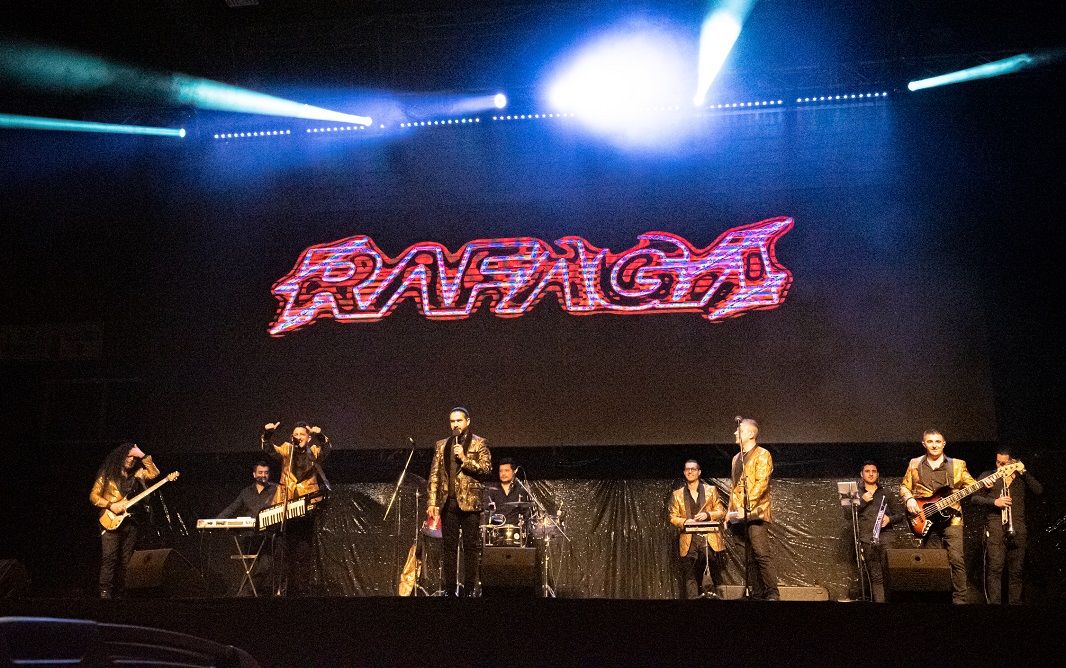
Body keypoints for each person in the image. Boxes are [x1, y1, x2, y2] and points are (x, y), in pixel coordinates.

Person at [899, 429, 977, 604]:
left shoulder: (957, 464)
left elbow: (972, 485)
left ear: (944, 443)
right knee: (932, 561)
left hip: (953, 518)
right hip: (925, 518)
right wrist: (909, 499)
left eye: (937, 441)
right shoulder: (914, 463)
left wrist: (984, 485)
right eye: (930, 441)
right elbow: (904, 486)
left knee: (956, 559)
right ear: (924, 444)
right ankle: (935, 600)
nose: (934, 445)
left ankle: (960, 601)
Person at [261, 421, 332, 596]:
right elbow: (270, 449)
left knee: (303, 549)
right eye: (296, 434)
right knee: (283, 548)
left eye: (302, 434)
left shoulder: (313, 451)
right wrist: (268, 434)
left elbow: (327, 449)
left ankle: (302, 590)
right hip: (286, 503)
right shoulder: (287, 449)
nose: (298, 437)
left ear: (308, 438)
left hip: (307, 505)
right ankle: (283, 589)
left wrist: (320, 435)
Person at [427, 406, 491, 597]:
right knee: (449, 547)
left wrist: (464, 459)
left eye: (459, 421)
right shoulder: (441, 445)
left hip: (470, 503)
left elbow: (486, 469)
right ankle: (449, 590)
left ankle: (469, 589)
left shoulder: (479, 443)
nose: (455, 424)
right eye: (452, 421)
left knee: (470, 547)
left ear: (467, 421)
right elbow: (435, 475)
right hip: (449, 502)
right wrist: (432, 502)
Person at [972, 448, 1043, 604]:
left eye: (1004, 463)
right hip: (995, 528)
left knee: (1016, 572)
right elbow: (974, 499)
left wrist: (1024, 471)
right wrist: (994, 502)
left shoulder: (1021, 478)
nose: (1000, 466)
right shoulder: (988, 476)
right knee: (995, 570)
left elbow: (1038, 490)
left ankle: (1015, 606)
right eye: (998, 462)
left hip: (1018, 529)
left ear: (1013, 462)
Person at [89, 442, 160, 599]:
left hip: (130, 521)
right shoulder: (107, 474)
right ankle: (105, 593)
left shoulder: (138, 474)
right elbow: (93, 496)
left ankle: (125, 592)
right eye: (128, 456)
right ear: (120, 457)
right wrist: (110, 505)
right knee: (109, 558)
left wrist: (142, 455)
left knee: (128, 560)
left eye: (133, 458)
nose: (131, 460)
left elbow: (154, 473)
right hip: (110, 520)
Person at [726, 418, 780, 600]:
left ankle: (772, 593)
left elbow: (761, 483)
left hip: (756, 513)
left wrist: (746, 506)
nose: (735, 433)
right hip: (738, 514)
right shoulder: (736, 458)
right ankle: (756, 593)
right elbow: (734, 487)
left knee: (761, 553)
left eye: (739, 431)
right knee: (746, 556)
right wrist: (729, 511)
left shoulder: (762, 454)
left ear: (750, 434)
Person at [668, 459, 726, 599]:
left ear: (699, 472)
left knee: (710, 571)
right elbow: (672, 517)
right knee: (690, 575)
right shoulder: (677, 494)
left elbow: (721, 511)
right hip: (689, 539)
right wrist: (684, 521)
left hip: (708, 538)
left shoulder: (710, 490)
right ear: (684, 472)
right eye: (687, 469)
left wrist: (707, 515)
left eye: (693, 469)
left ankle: (712, 601)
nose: (690, 472)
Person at [855, 461, 905, 602]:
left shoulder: (886, 493)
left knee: (890, 573)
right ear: (861, 474)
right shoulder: (856, 493)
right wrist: (862, 501)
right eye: (867, 471)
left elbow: (900, 515)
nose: (871, 474)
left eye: (874, 471)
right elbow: (848, 515)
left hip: (886, 537)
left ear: (878, 474)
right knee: (875, 575)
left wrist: (889, 519)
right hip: (867, 539)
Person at [484, 458, 529, 527]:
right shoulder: (491, 490)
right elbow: (486, 513)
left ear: (514, 471)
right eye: (500, 471)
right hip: (496, 529)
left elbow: (526, 512)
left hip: (515, 529)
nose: (503, 474)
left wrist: (523, 522)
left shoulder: (521, 490)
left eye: (506, 470)